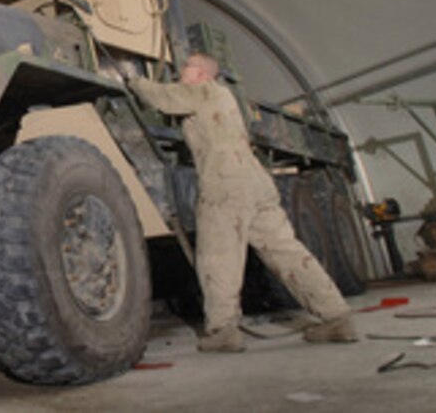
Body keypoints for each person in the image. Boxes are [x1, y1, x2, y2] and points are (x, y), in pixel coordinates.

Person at [129, 53, 357, 352]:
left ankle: (223, 331)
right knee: (286, 251)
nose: (181, 71)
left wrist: (135, 82)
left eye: (186, 67)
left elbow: (164, 99)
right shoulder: (222, 97)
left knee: (218, 257)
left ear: (200, 73)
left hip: (225, 182)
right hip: (254, 180)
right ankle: (336, 317)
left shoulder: (205, 91)